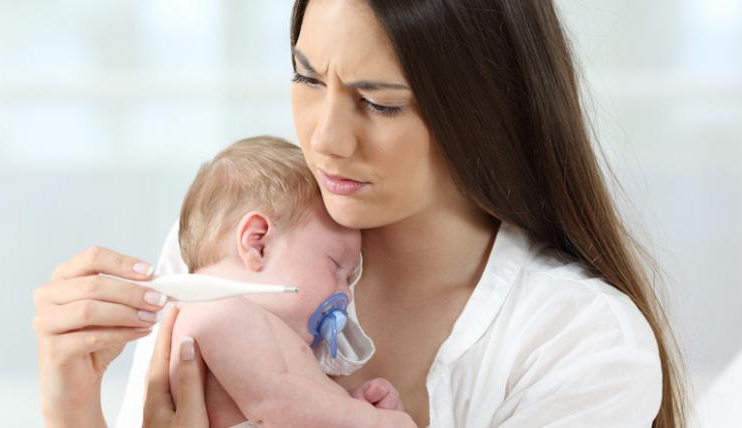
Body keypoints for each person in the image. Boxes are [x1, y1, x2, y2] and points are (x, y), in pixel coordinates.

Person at [35, 0, 687, 427]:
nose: (326, 139)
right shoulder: (244, 247)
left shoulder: (579, 342)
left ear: (484, 111)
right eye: (309, 79)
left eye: (378, 103)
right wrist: (70, 397)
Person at [159, 136, 411, 427]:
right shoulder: (218, 311)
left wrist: (352, 402)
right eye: (335, 264)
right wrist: (374, 421)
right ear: (258, 244)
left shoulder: (259, 326)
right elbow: (278, 404)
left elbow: (298, 404)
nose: (347, 294)